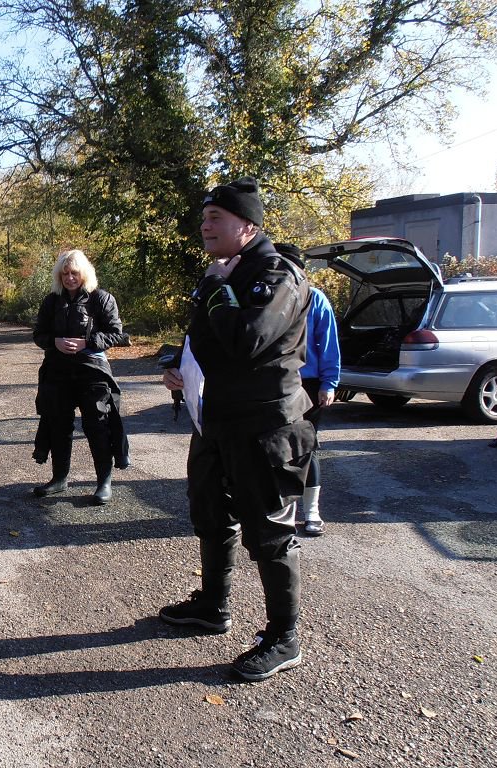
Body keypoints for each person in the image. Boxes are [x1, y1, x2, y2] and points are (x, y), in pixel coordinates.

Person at [158, 178, 315, 682]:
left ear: (247, 226)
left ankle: (284, 637)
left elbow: (248, 339)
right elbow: (205, 337)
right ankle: (213, 605)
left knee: (269, 532)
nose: (204, 226)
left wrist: (216, 290)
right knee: (209, 513)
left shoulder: (277, 274)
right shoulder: (225, 272)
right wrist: (176, 363)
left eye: (216, 218)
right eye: (204, 218)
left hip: (265, 424)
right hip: (217, 419)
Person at [31, 249, 129, 504]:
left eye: (74, 273)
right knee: (58, 424)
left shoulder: (102, 299)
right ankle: (59, 478)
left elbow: (117, 334)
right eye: (65, 274)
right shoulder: (51, 301)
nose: (70, 278)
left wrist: (88, 342)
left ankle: (104, 482)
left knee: (97, 424)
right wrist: (54, 341)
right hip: (57, 370)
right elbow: (38, 334)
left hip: (92, 369)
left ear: (84, 273)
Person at [276, 243, 341, 537]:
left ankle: (312, 512)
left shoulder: (316, 299)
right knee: (278, 448)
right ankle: (284, 512)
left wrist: (329, 384)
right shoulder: (270, 300)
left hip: (310, 385)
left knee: (307, 448)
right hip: (277, 383)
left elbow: (328, 344)